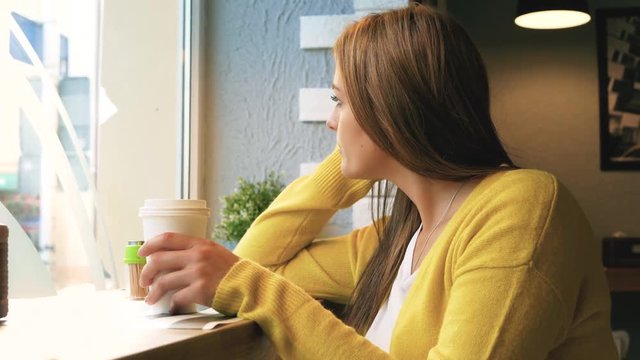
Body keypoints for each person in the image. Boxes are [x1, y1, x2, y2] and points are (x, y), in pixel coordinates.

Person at [138, 4, 618, 359]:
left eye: (339, 100)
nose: (330, 122)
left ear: (390, 107)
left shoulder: (523, 208)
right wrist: (348, 170)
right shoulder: (397, 240)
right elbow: (259, 261)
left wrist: (248, 285)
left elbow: (252, 280)